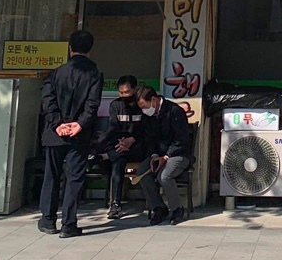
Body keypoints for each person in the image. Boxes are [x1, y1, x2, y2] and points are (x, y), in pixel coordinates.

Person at [38, 29, 104, 237]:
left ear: (70, 48)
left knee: (52, 175)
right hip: (79, 135)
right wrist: (80, 124)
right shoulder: (95, 74)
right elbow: (92, 105)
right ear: (90, 50)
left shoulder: (56, 73)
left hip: (54, 134)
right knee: (75, 178)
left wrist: (57, 124)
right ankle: (69, 224)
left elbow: (47, 100)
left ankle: (48, 220)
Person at [137, 84, 193, 226]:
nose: (144, 110)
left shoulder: (175, 111)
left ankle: (177, 209)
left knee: (164, 176)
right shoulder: (148, 117)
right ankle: (158, 208)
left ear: (153, 100)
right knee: (142, 172)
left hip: (179, 154)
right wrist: (154, 155)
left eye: (144, 106)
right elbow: (149, 139)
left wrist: (166, 156)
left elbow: (181, 140)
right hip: (158, 154)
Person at [100, 74, 147, 220]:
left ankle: (104, 157)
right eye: (121, 92)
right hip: (121, 146)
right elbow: (113, 128)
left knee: (115, 156)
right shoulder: (115, 105)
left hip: (139, 146)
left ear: (134, 89)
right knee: (118, 161)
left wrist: (132, 140)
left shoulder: (142, 105)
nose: (123, 95)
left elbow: (147, 130)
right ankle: (116, 204)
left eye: (127, 92)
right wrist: (122, 142)